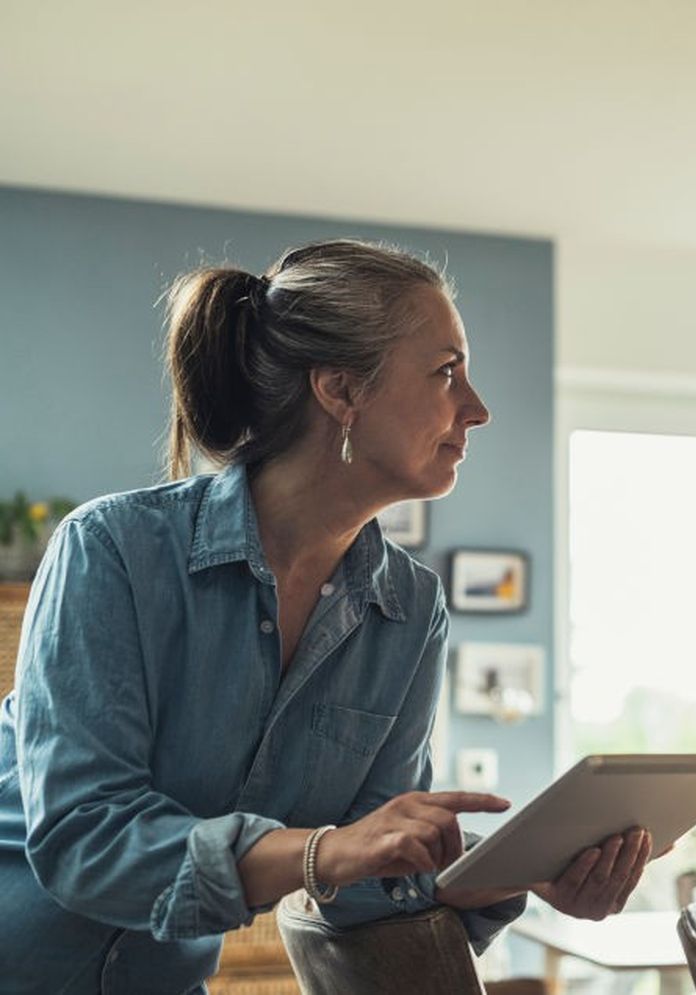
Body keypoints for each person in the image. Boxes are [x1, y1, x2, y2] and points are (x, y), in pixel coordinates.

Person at [0, 239, 653, 993]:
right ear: (341, 391)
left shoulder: (410, 611)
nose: (476, 408)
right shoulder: (111, 550)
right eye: (446, 372)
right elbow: (87, 838)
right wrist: (323, 850)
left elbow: (368, 872)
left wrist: (517, 872)